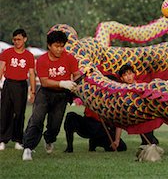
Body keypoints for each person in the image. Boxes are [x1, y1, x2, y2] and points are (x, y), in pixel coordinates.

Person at [22, 30, 81, 161]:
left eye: (62, 46)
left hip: (61, 96)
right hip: (45, 94)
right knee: (36, 120)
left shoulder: (70, 58)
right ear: (49, 45)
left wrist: (75, 83)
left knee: (55, 125)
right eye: (56, 46)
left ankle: (49, 139)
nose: (59, 49)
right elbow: (44, 81)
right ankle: (28, 148)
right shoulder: (42, 60)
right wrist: (62, 83)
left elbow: (77, 73)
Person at [63, 65, 140, 153]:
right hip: (88, 123)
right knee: (70, 116)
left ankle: (95, 142)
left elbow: (118, 121)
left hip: (103, 128)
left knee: (121, 147)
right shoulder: (91, 89)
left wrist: (117, 140)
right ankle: (69, 147)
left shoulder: (116, 96)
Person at [0, 29, 36, 151]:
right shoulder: (7, 53)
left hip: (21, 86)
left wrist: (32, 91)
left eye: (19, 39)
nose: (17, 42)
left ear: (25, 39)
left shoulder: (29, 56)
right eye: (14, 39)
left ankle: (18, 140)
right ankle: (2, 140)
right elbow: (1, 68)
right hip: (8, 84)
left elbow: (31, 74)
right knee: (5, 111)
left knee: (19, 113)